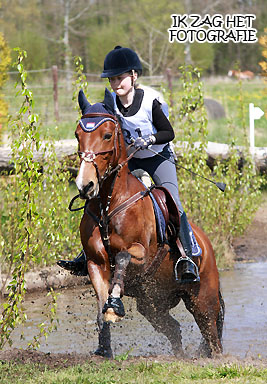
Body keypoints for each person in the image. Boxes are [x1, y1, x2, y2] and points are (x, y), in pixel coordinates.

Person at [57, 46, 200, 283]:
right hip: (130, 160)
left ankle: (187, 256)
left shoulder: (150, 101)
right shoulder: (111, 102)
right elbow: (97, 121)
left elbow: (168, 132)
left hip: (158, 157)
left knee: (173, 202)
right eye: (112, 79)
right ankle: (86, 254)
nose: (115, 83)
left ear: (134, 76)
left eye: (120, 78)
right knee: (99, 198)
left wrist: (149, 139)